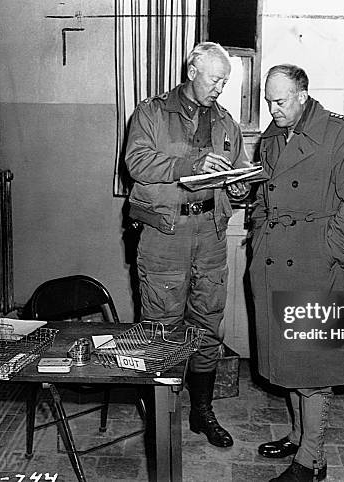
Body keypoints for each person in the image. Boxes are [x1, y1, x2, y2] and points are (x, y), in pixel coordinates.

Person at [248, 64, 344, 481]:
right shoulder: (271, 136)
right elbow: (264, 196)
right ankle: (300, 434)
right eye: (268, 100)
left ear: (303, 95)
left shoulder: (341, 133)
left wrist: (327, 253)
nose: (273, 108)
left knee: (313, 370)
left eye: (280, 101)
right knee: (287, 362)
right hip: (275, 262)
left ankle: (311, 461)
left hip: (317, 266)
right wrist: (259, 236)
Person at [124, 42, 250, 448]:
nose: (220, 87)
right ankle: (160, 419)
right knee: (162, 329)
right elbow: (136, 162)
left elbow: (238, 168)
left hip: (210, 232)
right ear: (192, 70)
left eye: (226, 81)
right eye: (215, 78)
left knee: (208, 325)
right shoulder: (152, 112)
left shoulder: (227, 122)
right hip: (166, 233)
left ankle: (202, 411)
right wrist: (188, 166)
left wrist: (242, 183)